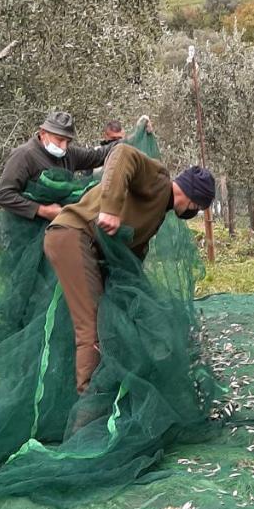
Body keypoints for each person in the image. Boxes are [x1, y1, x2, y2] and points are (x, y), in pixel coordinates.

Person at [43, 143, 214, 394]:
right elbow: (122, 153)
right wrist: (110, 209)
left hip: (88, 247)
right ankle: (90, 401)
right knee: (92, 325)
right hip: (73, 236)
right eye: (198, 207)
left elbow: (130, 258)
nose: (194, 213)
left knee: (111, 317)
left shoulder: (157, 213)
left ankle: (102, 384)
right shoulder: (158, 180)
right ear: (192, 199)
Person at [0, 111, 119, 221]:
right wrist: (42, 210)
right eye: (59, 140)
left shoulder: (70, 154)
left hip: (61, 223)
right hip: (30, 229)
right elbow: (3, 195)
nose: (64, 147)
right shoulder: (24, 155)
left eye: (68, 141)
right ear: (43, 133)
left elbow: (98, 156)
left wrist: (132, 138)